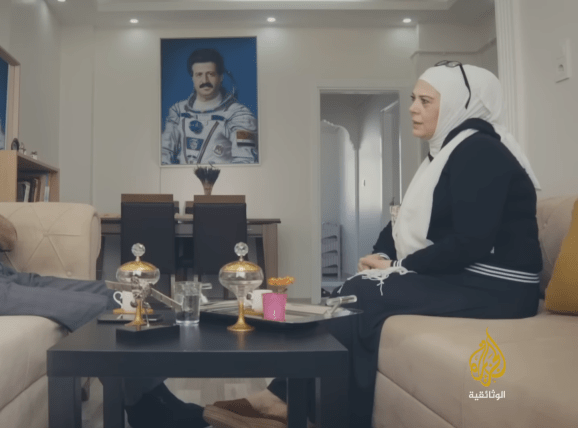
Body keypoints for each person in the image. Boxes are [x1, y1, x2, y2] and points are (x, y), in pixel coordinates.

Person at [202, 63, 543, 428]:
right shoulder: (445, 154)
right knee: (356, 289)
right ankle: (291, 401)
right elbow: (401, 223)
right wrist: (382, 255)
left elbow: (471, 243)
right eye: (413, 99)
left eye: (426, 101)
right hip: (468, 277)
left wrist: (399, 269)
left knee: (361, 292)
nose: (413, 108)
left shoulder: (480, 152)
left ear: (460, 105)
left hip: (499, 288)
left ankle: (289, 404)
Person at [0, 76, 208, 428]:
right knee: (97, 309)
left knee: (121, 295)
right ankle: (150, 411)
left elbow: (8, 237)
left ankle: (153, 403)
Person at [161, 48, 258, 165]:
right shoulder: (178, 111)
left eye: (211, 74)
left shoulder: (239, 115)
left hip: (224, 176)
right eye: (199, 75)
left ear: (221, 77)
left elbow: (246, 161)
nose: (204, 80)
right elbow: (164, 152)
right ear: (192, 78)